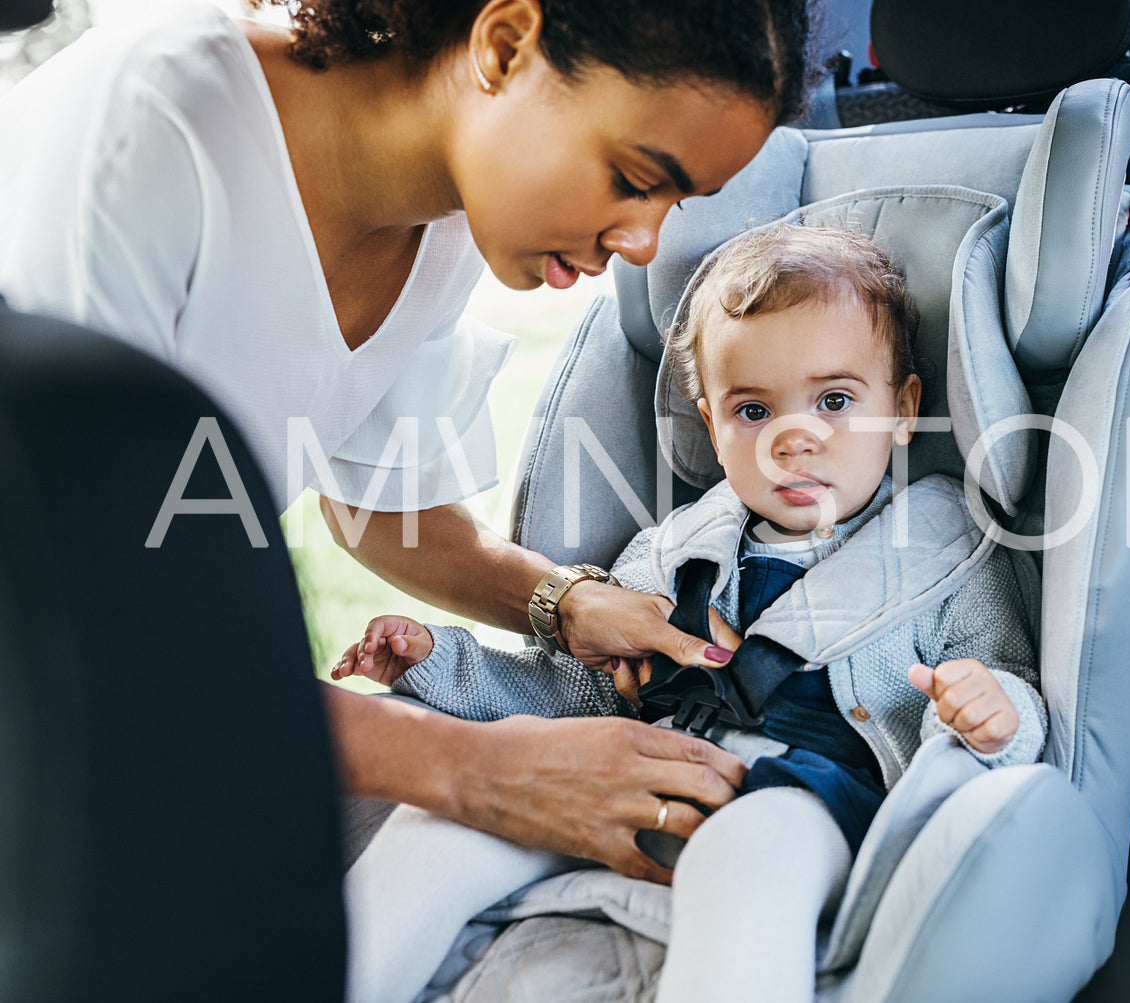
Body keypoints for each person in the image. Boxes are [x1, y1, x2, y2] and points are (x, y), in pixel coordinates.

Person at [0, 0, 814, 882]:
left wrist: (568, 604)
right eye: (629, 175)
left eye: (673, 201)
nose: (643, 242)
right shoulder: (153, 125)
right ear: (506, 45)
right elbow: (70, 631)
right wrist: (475, 767)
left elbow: (385, 509)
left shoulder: (447, 220)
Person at [336, 225, 1049, 1003]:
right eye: (752, 410)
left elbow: (1012, 685)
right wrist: (438, 658)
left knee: (746, 850)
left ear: (903, 408)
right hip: (645, 768)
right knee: (436, 824)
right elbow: (571, 695)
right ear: (711, 425)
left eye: (835, 400)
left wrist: (993, 707)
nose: (792, 437)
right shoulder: (671, 554)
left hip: (805, 800)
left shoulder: (949, 555)